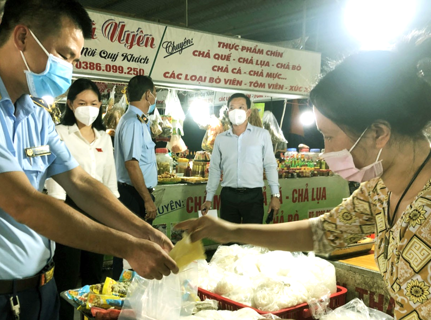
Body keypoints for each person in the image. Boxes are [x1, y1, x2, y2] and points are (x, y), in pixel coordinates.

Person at [176, 32, 431, 320]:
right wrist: (230, 231)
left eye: (330, 136)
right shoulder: (378, 190)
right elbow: (320, 232)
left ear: (378, 133)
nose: (326, 150)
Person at [0, 1, 177, 319]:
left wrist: (144, 232)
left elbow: (80, 181)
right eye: (64, 55)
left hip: (41, 292)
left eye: (74, 59)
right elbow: (24, 203)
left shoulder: (35, 113)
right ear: (22, 38)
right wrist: (127, 247)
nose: (69, 69)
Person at [45, 78, 120, 320]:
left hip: (98, 212)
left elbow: (110, 181)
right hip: (68, 210)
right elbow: (54, 178)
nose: (89, 108)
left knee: (94, 276)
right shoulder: (59, 132)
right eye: (82, 102)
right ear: (70, 104)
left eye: (94, 103)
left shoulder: (104, 138)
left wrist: (113, 217)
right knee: (67, 277)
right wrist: (58, 214)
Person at [201, 93, 281, 224]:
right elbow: (215, 169)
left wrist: (275, 195)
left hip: (253, 196)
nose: (236, 111)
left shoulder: (262, 135)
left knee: (253, 239)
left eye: (241, 107)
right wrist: (209, 198)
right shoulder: (221, 139)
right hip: (228, 196)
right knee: (229, 240)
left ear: (248, 112)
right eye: (232, 108)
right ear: (228, 112)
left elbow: (270, 165)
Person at [112, 75, 159, 280]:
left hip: (136, 193)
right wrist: (147, 200)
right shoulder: (132, 122)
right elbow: (132, 164)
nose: (155, 96)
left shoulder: (139, 120)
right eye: (155, 92)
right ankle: (122, 296)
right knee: (130, 249)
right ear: (148, 94)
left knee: (137, 248)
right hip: (133, 195)